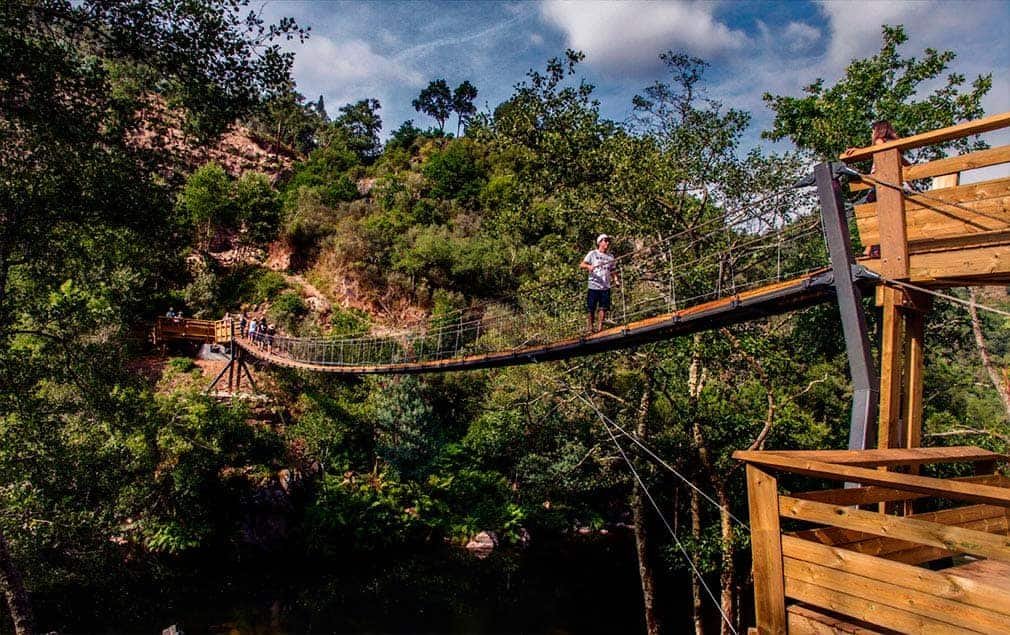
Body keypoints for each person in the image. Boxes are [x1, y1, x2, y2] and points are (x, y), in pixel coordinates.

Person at [579, 233, 618, 334]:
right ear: (600, 242)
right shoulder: (593, 254)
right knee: (591, 308)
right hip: (594, 285)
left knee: (603, 308)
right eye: (605, 241)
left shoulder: (610, 257)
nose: (607, 243)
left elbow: (613, 270)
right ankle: (590, 328)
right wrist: (588, 267)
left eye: (608, 241)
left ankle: (600, 328)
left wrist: (616, 280)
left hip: (605, 286)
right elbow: (582, 264)